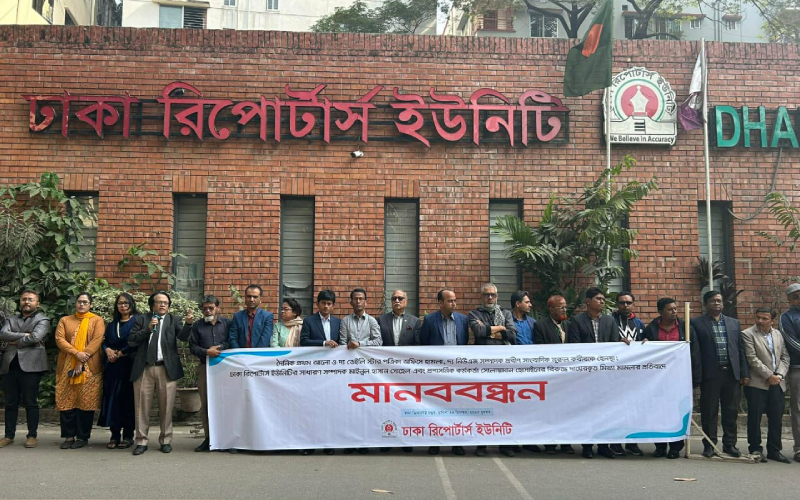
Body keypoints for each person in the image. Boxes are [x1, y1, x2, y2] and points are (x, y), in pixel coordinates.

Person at [128, 291, 190, 456]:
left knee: (167, 407)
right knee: (141, 407)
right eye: (159, 302)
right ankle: (141, 441)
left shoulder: (174, 320)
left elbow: (183, 337)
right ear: (152, 305)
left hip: (166, 369)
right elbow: (132, 340)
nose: (163, 305)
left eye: (165, 303)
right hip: (144, 368)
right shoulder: (141, 319)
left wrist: (189, 325)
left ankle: (166, 440)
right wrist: (148, 329)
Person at [691, 290, 748, 458]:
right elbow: (695, 351)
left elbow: (740, 349)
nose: (716, 303)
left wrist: (744, 372)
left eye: (719, 301)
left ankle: (730, 444)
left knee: (731, 411)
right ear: (705, 304)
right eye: (712, 301)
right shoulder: (696, 323)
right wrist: (697, 375)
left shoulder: (733, 323)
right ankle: (709, 444)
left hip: (731, 373)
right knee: (709, 411)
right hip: (710, 374)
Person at [643, 297, 701, 458]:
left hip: (679, 378)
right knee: (658, 412)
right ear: (660, 312)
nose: (674, 311)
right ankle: (660, 446)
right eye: (670, 309)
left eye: (675, 308)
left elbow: (695, 353)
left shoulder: (685, 328)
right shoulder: (651, 329)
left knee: (677, 412)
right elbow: (643, 351)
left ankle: (675, 447)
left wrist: (695, 377)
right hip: (657, 380)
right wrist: (644, 343)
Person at [567, 287, 618, 459]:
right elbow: (574, 346)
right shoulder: (577, 321)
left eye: (603, 299)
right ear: (588, 301)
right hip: (586, 374)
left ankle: (604, 445)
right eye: (598, 299)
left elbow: (614, 345)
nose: (602, 301)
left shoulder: (610, 321)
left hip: (605, 374)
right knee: (587, 410)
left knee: (605, 410)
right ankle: (587, 445)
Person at [469, 283, 516, 457]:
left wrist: (490, 331)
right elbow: (478, 331)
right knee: (482, 404)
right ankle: (481, 444)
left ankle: (504, 444)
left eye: (493, 295)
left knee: (503, 404)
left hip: (503, 365)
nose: (490, 298)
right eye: (487, 295)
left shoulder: (506, 313)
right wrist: (501, 328)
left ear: (497, 296)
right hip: (482, 366)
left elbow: (512, 334)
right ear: (481, 296)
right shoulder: (474, 314)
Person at [420, 289, 469, 456]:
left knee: (457, 407)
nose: (454, 303)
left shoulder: (463, 320)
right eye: (450, 301)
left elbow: (464, 341)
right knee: (436, 407)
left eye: (455, 300)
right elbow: (424, 343)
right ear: (440, 303)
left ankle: (457, 443)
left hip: (457, 372)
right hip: (436, 373)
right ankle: (435, 442)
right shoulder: (429, 320)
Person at [54, 292, 106, 449]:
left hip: (90, 366)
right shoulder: (65, 320)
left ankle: (83, 437)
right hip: (67, 365)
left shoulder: (97, 320)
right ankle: (69, 436)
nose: (81, 304)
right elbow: (59, 339)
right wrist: (76, 353)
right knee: (66, 400)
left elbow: (97, 340)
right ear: (75, 303)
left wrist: (83, 357)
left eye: (85, 302)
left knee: (86, 402)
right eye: (79, 301)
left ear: (90, 304)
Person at [0, 290, 50, 449]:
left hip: (31, 366)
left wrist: (14, 339)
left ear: (37, 303)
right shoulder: (11, 318)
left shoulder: (43, 319)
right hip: (10, 365)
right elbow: (2, 334)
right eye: (24, 299)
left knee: (30, 402)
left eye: (30, 299)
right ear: (20, 302)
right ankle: (8, 436)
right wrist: (24, 336)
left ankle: (32, 436)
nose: (26, 302)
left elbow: (36, 337)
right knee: (10, 403)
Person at [742, 307, 790, 463]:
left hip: (778, 383)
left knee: (776, 418)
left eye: (764, 318)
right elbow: (752, 358)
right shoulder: (748, 334)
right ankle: (755, 449)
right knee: (754, 417)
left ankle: (774, 450)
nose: (760, 321)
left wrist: (779, 375)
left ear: (772, 321)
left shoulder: (778, 334)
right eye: (758, 317)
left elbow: (785, 357)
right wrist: (769, 375)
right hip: (757, 383)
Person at [339, 288, 382, 454]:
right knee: (349, 406)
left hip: (367, 370)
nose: (358, 301)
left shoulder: (372, 321)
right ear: (351, 302)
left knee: (366, 406)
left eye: (361, 299)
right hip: (349, 369)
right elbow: (342, 343)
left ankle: (364, 441)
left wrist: (360, 344)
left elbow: (378, 342)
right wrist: (349, 346)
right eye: (355, 299)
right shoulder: (345, 321)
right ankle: (350, 441)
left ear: (366, 302)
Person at [299, 289, 341, 456]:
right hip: (313, 370)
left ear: (333, 306)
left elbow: (342, 343)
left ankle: (328, 443)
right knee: (311, 408)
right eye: (323, 303)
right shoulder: (309, 321)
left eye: (329, 304)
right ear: (318, 304)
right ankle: (309, 444)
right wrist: (324, 343)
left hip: (332, 372)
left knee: (330, 408)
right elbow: (304, 341)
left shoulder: (338, 322)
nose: (326, 306)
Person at [185, 295, 229, 452]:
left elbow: (232, 341)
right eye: (205, 309)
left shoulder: (227, 324)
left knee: (227, 403)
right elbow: (192, 347)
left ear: (218, 308)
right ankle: (208, 438)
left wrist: (220, 348)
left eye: (211, 308)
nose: (208, 311)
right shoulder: (197, 326)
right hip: (205, 368)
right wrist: (206, 352)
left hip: (226, 369)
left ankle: (227, 439)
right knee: (206, 404)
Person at [377, 289, 419, 453]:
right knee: (386, 405)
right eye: (394, 298)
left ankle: (405, 439)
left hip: (406, 372)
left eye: (400, 298)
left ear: (406, 302)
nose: (397, 301)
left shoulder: (414, 321)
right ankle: (386, 438)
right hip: (385, 372)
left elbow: (417, 346)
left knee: (405, 405)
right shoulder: (381, 320)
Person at [97, 292, 139, 450]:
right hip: (112, 366)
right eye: (120, 303)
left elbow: (137, 342)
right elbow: (104, 341)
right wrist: (107, 350)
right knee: (112, 400)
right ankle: (114, 435)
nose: (123, 306)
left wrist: (121, 353)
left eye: (126, 303)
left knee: (127, 401)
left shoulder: (137, 321)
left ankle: (128, 436)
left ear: (131, 304)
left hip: (129, 365)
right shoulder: (112, 324)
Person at [534, 295, 574, 455]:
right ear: (551, 309)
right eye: (561, 307)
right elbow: (539, 349)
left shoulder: (570, 325)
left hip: (568, 376)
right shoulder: (540, 325)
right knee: (550, 411)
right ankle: (550, 443)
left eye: (565, 307)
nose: (565, 310)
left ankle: (566, 443)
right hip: (550, 376)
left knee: (567, 410)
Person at [609, 291, 645, 457]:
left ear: (633, 304)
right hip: (614, 373)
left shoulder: (638, 323)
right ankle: (615, 443)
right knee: (616, 409)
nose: (625, 305)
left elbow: (646, 341)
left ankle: (632, 443)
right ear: (617, 304)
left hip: (634, 374)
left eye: (628, 303)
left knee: (634, 409)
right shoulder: (610, 320)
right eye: (622, 303)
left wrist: (646, 342)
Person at [779, 282, 800, 463]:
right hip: (797, 369)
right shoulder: (786, 318)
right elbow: (791, 342)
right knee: (798, 409)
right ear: (789, 299)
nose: (799, 299)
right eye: (796, 297)